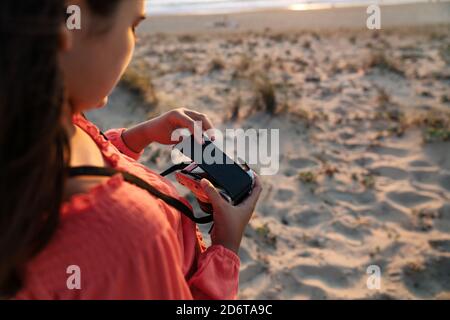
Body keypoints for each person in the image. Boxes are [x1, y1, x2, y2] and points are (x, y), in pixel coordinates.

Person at [0, 0, 262, 299]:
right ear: (68, 26)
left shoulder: (43, 128)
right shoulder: (131, 240)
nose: (133, 41)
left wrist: (140, 136)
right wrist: (226, 247)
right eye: (133, 26)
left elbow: (95, 158)